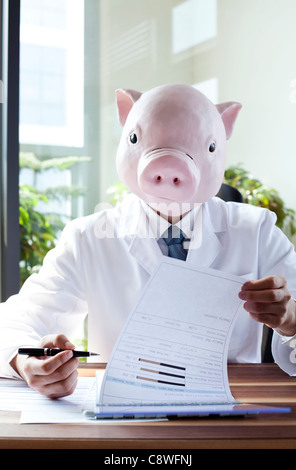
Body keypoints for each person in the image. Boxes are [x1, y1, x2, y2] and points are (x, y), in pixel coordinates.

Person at [1, 83, 296, 398]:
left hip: (231, 409)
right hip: (123, 413)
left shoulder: (257, 231)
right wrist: (28, 361)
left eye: (207, 148)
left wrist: (291, 320)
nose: (168, 172)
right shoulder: (88, 237)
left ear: (224, 134)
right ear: (124, 119)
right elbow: (20, 318)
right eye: (137, 139)